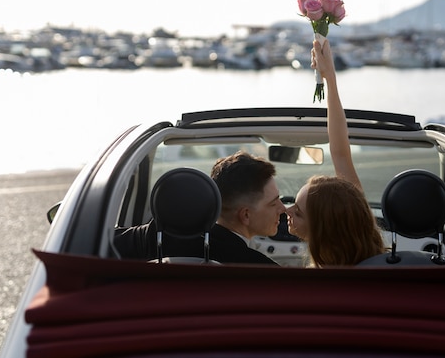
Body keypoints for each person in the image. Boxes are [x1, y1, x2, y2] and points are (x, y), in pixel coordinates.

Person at [286, 39, 386, 267]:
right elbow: (340, 153)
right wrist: (329, 77)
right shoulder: (356, 223)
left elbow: (341, 153)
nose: (286, 209)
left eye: (298, 212)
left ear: (324, 231)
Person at [114, 151, 285, 265]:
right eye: (274, 202)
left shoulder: (151, 237)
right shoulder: (261, 269)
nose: (283, 208)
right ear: (245, 215)